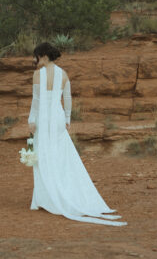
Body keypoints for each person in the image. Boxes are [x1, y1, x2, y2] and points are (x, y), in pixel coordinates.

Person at [27, 42, 125, 226]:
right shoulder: (63, 74)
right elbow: (68, 99)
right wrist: (67, 120)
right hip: (56, 119)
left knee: (43, 156)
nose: (35, 60)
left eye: (37, 56)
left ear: (44, 56)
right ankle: (58, 192)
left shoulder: (37, 75)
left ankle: (45, 198)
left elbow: (36, 101)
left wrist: (31, 121)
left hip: (43, 119)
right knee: (60, 156)